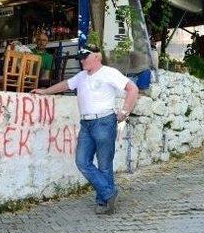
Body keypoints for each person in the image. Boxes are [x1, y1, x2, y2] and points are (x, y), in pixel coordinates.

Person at [31, 44, 138, 215]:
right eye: (80, 58)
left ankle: (104, 203)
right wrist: (45, 92)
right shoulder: (81, 76)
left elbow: (132, 89)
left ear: (97, 56)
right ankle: (110, 193)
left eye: (85, 57)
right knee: (82, 161)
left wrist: (125, 111)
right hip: (86, 124)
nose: (82, 61)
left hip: (104, 121)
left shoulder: (109, 73)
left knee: (104, 165)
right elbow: (65, 85)